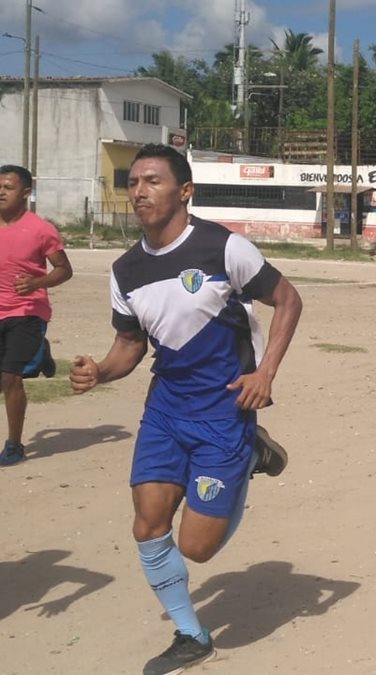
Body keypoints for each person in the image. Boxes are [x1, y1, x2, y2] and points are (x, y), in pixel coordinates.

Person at [68, 144, 302, 675]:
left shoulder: (223, 247)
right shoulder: (125, 269)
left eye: (152, 180)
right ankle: (191, 635)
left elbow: (288, 300)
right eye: (133, 183)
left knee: (197, 549)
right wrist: (100, 372)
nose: (139, 191)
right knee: (148, 527)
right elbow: (130, 346)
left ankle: (248, 455)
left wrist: (265, 373)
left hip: (224, 411)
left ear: (185, 191)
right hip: (166, 410)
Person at [0, 164, 73, 466]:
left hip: (27, 312)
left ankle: (15, 444)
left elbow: (64, 270)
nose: (1, 191)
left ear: (26, 192)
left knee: (9, 378)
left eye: (8, 186)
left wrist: (36, 283)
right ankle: (40, 354)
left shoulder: (41, 229)